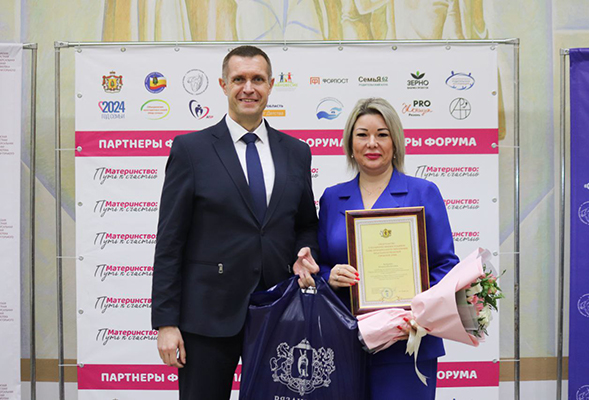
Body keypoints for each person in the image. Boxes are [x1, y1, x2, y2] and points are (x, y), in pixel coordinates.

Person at [151, 45, 319, 400]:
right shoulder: (191, 150)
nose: (248, 88)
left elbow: (306, 223)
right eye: (239, 79)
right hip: (207, 318)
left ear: (271, 85)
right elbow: (170, 241)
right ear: (223, 85)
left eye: (257, 79)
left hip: (278, 312)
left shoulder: (296, 152)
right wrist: (166, 322)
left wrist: (304, 252)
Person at [317, 97, 459, 399]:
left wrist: (417, 310)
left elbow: (446, 265)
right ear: (350, 143)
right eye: (362, 135)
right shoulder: (332, 198)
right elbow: (321, 264)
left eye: (382, 134)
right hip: (345, 341)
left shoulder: (423, 192)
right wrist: (330, 276)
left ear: (395, 142)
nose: (372, 143)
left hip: (407, 343)